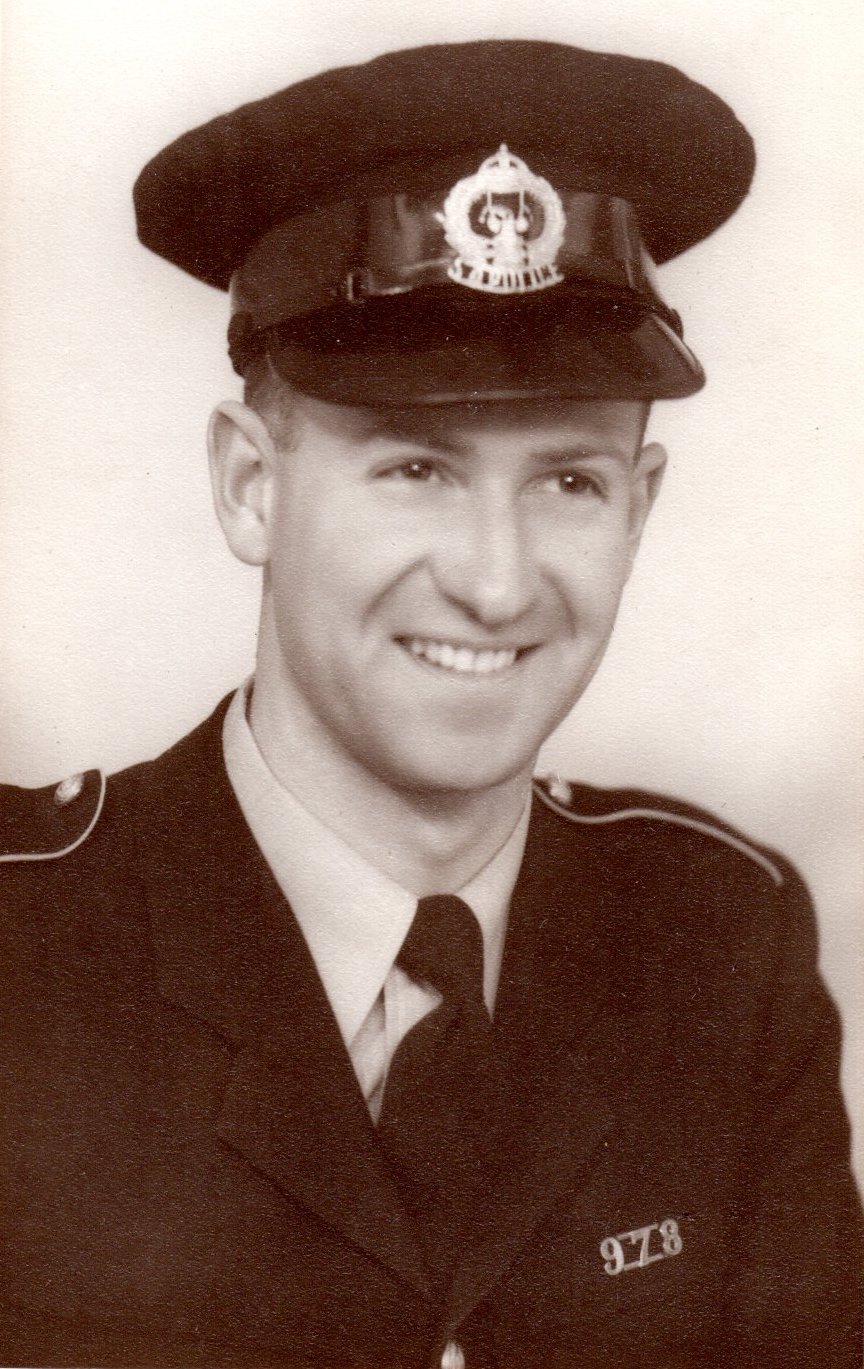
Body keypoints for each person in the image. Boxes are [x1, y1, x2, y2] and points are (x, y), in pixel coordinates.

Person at [0, 38, 860, 1369]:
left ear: (640, 511)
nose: (496, 583)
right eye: (415, 468)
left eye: (570, 481)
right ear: (249, 487)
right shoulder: (25, 951)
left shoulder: (718, 946)